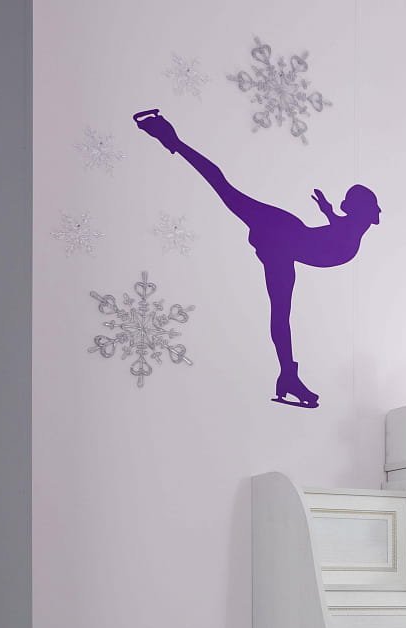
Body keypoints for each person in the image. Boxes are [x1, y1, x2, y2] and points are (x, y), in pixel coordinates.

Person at [133, 108, 381, 409]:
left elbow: (336, 225)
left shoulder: (349, 231)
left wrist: (327, 210)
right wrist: (327, 211)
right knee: (226, 189)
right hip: (281, 235)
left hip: (283, 247)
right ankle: (171, 139)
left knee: (281, 314)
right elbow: (337, 227)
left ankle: (288, 375)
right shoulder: (350, 232)